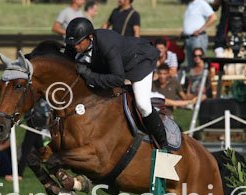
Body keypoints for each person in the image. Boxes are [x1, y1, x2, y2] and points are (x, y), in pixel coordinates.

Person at [65, 18, 170, 150]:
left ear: (90, 37)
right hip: (113, 66)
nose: (75, 46)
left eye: (78, 43)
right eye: (72, 43)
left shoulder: (107, 43)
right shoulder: (75, 43)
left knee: (143, 105)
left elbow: (118, 79)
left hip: (139, 62)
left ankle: (163, 145)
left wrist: (89, 76)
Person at [182, 0, 217, 67]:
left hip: (197, 38)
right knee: (191, 65)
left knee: (200, 61)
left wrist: (200, 30)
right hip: (188, 38)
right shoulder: (190, 4)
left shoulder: (201, 3)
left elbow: (213, 17)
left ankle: (203, 74)